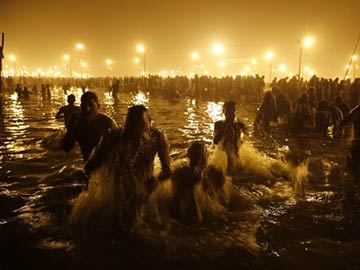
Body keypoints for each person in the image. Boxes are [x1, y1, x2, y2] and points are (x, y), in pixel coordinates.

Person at [111, 105, 171, 228]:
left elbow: (167, 170)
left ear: (149, 121)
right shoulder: (122, 136)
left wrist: (155, 182)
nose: (138, 128)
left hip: (147, 185)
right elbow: (115, 166)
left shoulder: (157, 137)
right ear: (129, 125)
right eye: (134, 124)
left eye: (142, 123)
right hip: (124, 187)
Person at [63, 91, 119, 168]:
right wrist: (73, 129)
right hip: (86, 165)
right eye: (83, 105)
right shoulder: (76, 120)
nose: (87, 109)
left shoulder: (108, 124)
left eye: (91, 105)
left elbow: (119, 151)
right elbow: (66, 148)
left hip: (105, 168)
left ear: (98, 106)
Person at [213, 100, 247, 173]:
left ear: (234, 112)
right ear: (223, 111)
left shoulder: (240, 125)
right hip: (223, 159)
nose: (228, 114)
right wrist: (225, 125)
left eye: (231, 111)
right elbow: (215, 141)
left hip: (237, 157)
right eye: (227, 112)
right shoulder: (218, 124)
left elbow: (245, 141)